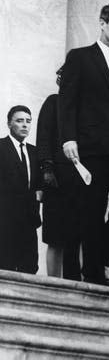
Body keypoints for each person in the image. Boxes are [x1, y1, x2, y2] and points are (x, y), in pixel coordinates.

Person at [57, 2, 109, 286]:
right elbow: (66, 103)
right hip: (91, 147)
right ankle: (93, 272)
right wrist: (68, 138)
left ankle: (98, 258)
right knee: (93, 210)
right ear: (103, 23)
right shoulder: (80, 58)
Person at [37, 67, 82, 280]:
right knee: (55, 237)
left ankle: (73, 282)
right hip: (56, 179)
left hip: (79, 181)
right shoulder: (52, 102)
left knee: (76, 236)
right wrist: (46, 169)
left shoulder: (83, 108)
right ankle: (53, 283)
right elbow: (43, 138)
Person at [0, 105, 41, 273]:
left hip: (29, 219)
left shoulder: (35, 151)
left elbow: (37, 184)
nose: (25, 125)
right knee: (5, 266)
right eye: (19, 121)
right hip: (5, 219)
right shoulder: (1, 147)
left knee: (30, 267)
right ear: (9, 124)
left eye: (28, 121)